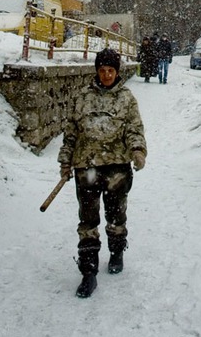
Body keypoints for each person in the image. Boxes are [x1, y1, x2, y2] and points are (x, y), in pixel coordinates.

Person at [58, 48, 147, 298]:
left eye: (111, 70)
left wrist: (138, 150)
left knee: (116, 214)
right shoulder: (82, 97)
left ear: (117, 72)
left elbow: (134, 129)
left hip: (117, 166)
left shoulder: (127, 99)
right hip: (86, 166)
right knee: (88, 218)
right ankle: (89, 271)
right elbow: (71, 133)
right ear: (96, 71)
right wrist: (66, 161)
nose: (106, 75)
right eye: (102, 70)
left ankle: (117, 250)